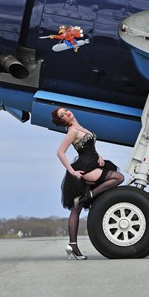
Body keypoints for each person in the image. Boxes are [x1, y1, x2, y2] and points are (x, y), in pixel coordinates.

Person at [52, 107, 124, 260]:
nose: (67, 113)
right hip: (85, 168)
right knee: (118, 177)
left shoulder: (80, 127)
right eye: (63, 115)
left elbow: (89, 147)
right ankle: (90, 194)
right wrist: (72, 172)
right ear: (62, 121)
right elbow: (60, 152)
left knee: (77, 208)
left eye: (65, 110)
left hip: (94, 163)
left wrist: (100, 156)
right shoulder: (71, 131)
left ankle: (72, 245)